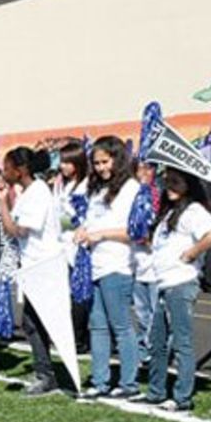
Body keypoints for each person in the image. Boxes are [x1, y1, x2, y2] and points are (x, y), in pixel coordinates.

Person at [138, 167, 211, 411]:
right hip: (163, 283)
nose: (170, 187)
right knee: (157, 341)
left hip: (181, 283)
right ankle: (156, 391)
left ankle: (182, 396)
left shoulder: (194, 210)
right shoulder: (168, 212)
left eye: (176, 182)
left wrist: (192, 253)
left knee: (181, 342)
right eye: (167, 182)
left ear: (188, 184)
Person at [0, 146, 66, 394]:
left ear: (21, 169)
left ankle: (47, 375)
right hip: (31, 266)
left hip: (43, 266)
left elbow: (19, 230)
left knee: (38, 322)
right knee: (30, 322)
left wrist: (2, 204)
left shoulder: (38, 192)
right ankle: (44, 372)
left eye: (7, 168)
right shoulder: (28, 192)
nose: (4, 173)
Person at [77, 136, 140, 400]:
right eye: (97, 163)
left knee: (121, 326)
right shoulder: (96, 189)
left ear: (117, 159)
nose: (101, 168)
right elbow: (90, 221)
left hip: (118, 264)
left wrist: (100, 235)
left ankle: (128, 383)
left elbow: (133, 231)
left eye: (105, 161)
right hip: (96, 264)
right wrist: (82, 230)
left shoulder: (130, 188)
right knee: (98, 326)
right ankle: (100, 380)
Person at [53, 139, 91, 353]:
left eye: (68, 162)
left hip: (79, 247)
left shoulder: (85, 186)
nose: (63, 166)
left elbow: (80, 218)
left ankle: (79, 338)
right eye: (61, 162)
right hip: (64, 246)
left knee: (79, 295)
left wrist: (61, 220)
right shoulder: (64, 185)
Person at [130, 159, 159, 366]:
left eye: (148, 168)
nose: (144, 172)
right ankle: (143, 352)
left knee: (156, 314)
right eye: (140, 168)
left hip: (156, 265)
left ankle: (158, 350)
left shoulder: (157, 194)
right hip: (137, 264)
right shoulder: (132, 194)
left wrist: (149, 236)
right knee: (141, 314)